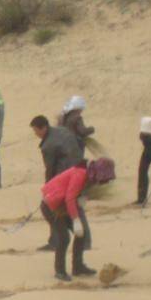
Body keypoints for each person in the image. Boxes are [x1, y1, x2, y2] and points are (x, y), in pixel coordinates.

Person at [40, 158, 115, 282]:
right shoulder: (80, 174)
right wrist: (76, 220)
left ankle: (78, 267)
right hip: (51, 207)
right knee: (64, 238)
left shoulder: (87, 173)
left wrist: (80, 202)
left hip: (63, 206)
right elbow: (69, 198)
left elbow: (72, 197)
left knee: (82, 234)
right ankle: (60, 271)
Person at [31, 114, 88, 251]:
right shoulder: (62, 130)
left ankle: (56, 242)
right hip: (79, 170)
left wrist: (48, 188)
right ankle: (84, 241)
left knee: (55, 209)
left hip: (66, 177)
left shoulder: (48, 145)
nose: (35, 134)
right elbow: (80, 142)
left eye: (36, 131)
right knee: (76, 208)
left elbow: (49, 169)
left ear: (43, 128)